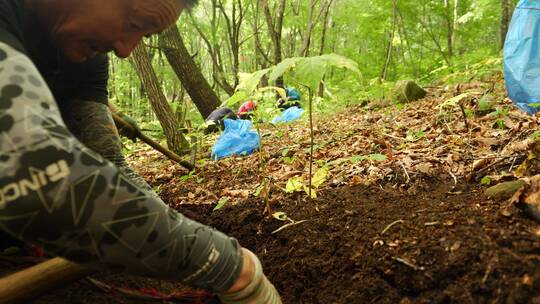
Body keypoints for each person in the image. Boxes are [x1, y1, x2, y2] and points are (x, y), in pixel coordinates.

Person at [0, 0, 281, 303]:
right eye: (134, 24)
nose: (125, 50)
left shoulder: (86, 53)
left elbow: (109, 162)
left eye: (144, 36)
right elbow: (38, 174)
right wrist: (228, 264)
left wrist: (173, 227)